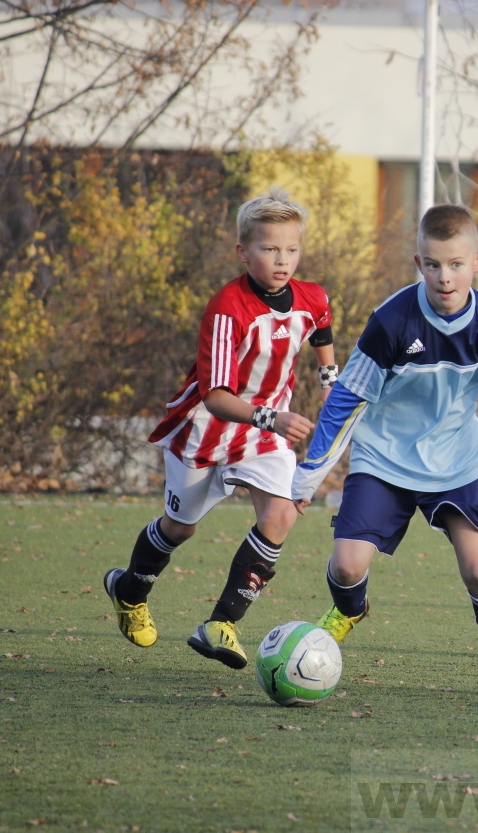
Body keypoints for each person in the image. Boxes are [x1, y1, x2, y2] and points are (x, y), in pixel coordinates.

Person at [292, 204, 478, 698]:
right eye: (434, 264)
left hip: (454, 461)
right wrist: (310, 472)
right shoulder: (392, 321)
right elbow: (348, 399)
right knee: (348, 566)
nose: (445, 276)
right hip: (383, 459)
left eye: (456, 264)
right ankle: (350, 609)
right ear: (419, 263)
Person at [103, 189, 338, 669]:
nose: (282, 259)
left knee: (281, 517)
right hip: (207, 428)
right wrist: (273, 416)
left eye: (291, 249)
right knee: (180, 528)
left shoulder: (311, 295)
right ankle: (129, 590)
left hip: (264, 432)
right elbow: (215, 396)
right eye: (269, 249)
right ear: (243, 252)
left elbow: (322, 324)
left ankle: (221, 624)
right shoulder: (228, 309)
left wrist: (329, 379)